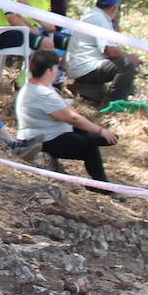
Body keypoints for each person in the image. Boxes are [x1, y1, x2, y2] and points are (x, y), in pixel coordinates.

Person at [15, 49, 118, 193]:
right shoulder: (43, 93)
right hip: (43, 139)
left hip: (50, 131)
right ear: (49, 70)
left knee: (93, 136)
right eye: (57, 67)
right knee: (89, 146)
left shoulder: (35, 85)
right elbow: (73, 118)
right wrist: (101, 130)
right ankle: (102, 186)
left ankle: (100, 180)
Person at [66, 0, 140, 107]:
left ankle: (116, 99)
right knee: (127, 64)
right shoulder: (100, 19)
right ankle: (114, 105)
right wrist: (131, 58)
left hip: (80, 67)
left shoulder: (93, 15)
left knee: (126, 63)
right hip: (86, 68)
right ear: (114, 8)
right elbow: (110, 51)